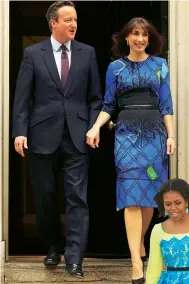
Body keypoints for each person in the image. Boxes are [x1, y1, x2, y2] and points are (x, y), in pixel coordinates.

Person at [12, 0, 102, 278]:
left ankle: (75, 258)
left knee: (77, 198)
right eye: (67, 20)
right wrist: (19, 130)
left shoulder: (87, 53)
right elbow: (22, 97)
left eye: (75, 19)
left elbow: (95, 97)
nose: (74, 24)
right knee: (45, 196)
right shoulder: (32, 54)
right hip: (41, 136)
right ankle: (53, 247)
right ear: (53, 23)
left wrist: (93, 127)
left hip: (77, 137)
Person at [86, 17, 176, 283]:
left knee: (149, 196)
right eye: (135, 34)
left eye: (144, 34)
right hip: (126, 136)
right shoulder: (115, 68)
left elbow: (167, 105)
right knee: (129, 195)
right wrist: (95, 128)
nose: (140, 38)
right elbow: (108, 104)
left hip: (154, 136)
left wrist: (171, 136)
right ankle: (136, 263)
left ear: (149, 39)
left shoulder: (160, 65)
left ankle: (139, 243)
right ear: (126, 38)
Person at [146, 178, 189, 284]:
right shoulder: (158, 230)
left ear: (187, 201)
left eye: (178, 203)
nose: (173, 208)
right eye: (168, 204)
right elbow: (153, 269)